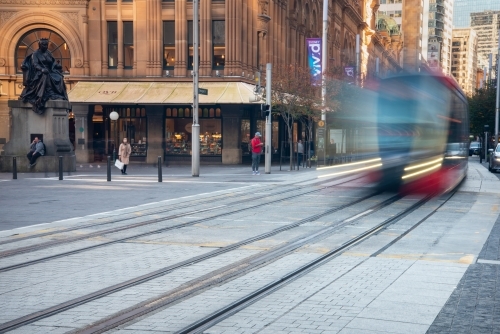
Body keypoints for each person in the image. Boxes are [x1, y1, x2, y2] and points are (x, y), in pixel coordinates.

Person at [19, 38, 68, 115]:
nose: (45, 46)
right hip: (38, 72)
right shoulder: (35, 54)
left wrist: (57, 66)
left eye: (46, 45)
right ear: (40, 45)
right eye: (43, 45)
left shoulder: (48, 53)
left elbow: (52, 62)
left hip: (50, 70)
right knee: (45, 75)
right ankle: (41, 95)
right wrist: (42, 69)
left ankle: (55, 93)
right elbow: (35, 64)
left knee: (59, 77)